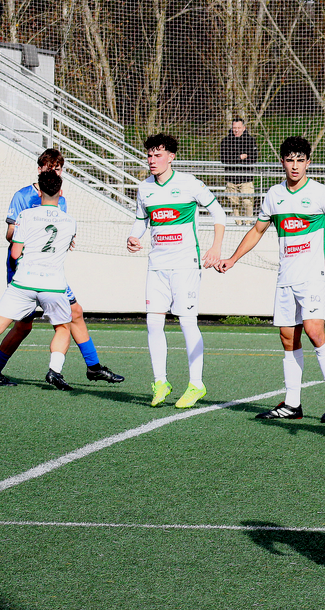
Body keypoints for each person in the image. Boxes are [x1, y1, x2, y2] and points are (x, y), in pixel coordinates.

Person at [216, 136, 325, 423]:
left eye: (300, 160)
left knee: (314, 331)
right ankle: (293, 403)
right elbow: (257, 231)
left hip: (313, 277)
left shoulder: (321, 194)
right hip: (286, 278)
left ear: (308, 162)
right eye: (290, 160)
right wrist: (233, 258)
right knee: (287, 337)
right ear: (282, 162)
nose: (295, 166)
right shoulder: (274, 195)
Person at [0, 149, 123, 387]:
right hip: (25, 268)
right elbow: (10, 234)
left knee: (75, 312)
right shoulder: (22, 196)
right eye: (50, 169)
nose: (54, 173)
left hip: (50, 271)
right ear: (40, 170)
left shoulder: (61, 198)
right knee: (23, 326)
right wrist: (32, 236)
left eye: (58, 169)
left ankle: (93, 366)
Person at [127, 133, 226, 409]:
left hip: (185, 265)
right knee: (153, 322)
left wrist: (216, 247)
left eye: (158, 155)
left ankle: (196, 384)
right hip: (156, 266)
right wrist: (133, 236)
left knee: (186, 322)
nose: (152, 160)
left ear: (171, 157)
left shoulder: (189, 184)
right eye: (149, 155)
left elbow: (219, 213)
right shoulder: (144, 188)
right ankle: (160, 382)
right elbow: (141, 221)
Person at [0, 171, 78, 389]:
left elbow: (15, 253)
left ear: (40, 193)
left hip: (24, 282)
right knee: (62, 328)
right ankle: (54, 371)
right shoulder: (70, 222)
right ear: (60, 193)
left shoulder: (25, 216)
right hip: (53, 285)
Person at [219, 118, 258, 221]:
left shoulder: (250, 141)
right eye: (234, 128)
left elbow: (253, 158)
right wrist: (240, 157)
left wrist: (233, 158)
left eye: (238, 128)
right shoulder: (226, 141)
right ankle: (238, 223)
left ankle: (249, 223)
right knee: (234, 204)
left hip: (246, 178)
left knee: (247, 202)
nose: (236, 130)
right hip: (231, 179)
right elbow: (224, 159)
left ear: (244, 128)